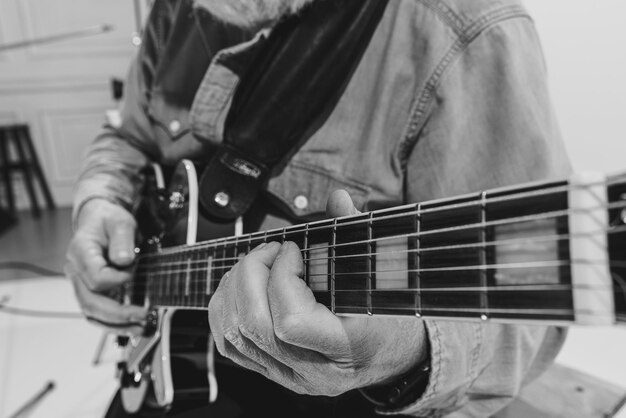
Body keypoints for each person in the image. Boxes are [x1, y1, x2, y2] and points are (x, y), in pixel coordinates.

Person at [65, 0, 572, 416]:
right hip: (180, 356)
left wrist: (400, 353)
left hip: (343, 396)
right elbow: (128, 136)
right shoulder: (177, 9)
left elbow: (530, 313)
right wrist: (99, 198)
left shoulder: (464, 29)